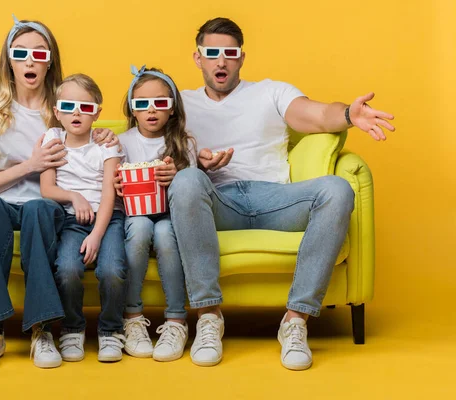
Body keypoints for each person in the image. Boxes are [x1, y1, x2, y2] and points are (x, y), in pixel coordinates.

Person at [168, 17, 395, 369]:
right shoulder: (180, 102)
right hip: (217, 201)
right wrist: (195, 162)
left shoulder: (271, 91)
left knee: (337, 188)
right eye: (211, 53)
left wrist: (349, 114)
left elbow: (318, 114)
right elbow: (147, 138)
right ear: (197, 58)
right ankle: (209, 316)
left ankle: (295, 321)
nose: (221, 61)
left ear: (242, 57)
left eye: (229, 53)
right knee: (185, 181)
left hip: (276, 199)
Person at [0, 16, 118, 371]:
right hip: (2, 201)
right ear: (9, 60)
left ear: (50, 61)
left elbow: (87, 128)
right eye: (20, 53)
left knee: (37, 210)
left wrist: (105, 135)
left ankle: (41, 330)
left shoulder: (62, 105)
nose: (29, 60)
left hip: (48, 205)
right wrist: (30, 164)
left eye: (38, 53)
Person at [39, 74, 127, 363]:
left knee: (112, 269)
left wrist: (97, 235)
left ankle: (111, 331)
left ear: (98, 113)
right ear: (56, 112)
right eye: (68, 106)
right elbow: (47, 188)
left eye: (86, 107)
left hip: (107, 219)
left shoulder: (107, 145)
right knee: (66, 269)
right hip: (70, 221)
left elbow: (108, 197)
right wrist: (74, 197)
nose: (76, 113)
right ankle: (72, 329)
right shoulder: (52, 138)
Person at [116, 66, 197, 362]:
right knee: (139, 228)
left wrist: (177, 174)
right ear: (132, 110)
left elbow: (194, 191)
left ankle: (176, 320)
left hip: (170, 216)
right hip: (133, 215)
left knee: (164, 232)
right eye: (142, 104)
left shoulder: (184, 144)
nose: (151, 110)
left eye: (160, 103)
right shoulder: (120, 143)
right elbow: (111, 183)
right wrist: (115, 184)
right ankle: (132, 316)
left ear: (172, 109)